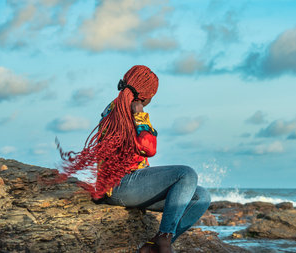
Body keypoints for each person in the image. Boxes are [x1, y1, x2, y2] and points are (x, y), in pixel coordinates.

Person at [56, 65, 211, 253]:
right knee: (186, 174)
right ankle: (164, 241)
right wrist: (140, 116)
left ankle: (153, 246)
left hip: (135, 186)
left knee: (201, 196)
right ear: (146, 96)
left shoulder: (120, 107)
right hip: (120, 186)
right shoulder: (122, 111)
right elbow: (149, 148)